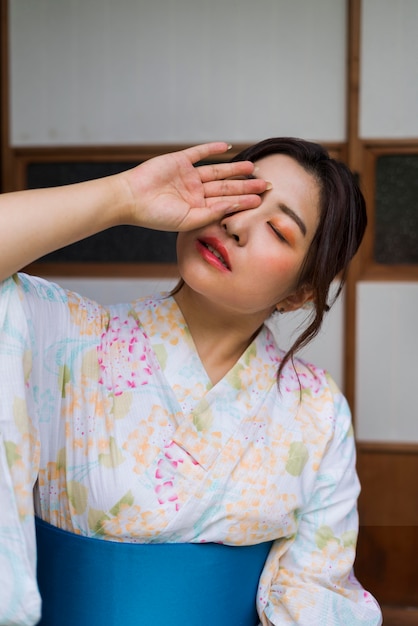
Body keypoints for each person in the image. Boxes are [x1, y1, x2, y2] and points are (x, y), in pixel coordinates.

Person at [0, 139, 382, 625]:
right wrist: (122, 196)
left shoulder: (318, 412)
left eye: (279, 230)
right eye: (237, 197)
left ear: (300, 293)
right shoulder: (67, 336)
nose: (237, 225)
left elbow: (315, 594)